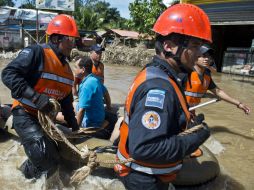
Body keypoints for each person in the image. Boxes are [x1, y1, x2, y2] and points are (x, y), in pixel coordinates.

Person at [115, 3, 212, 190]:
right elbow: (146, 149)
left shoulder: (159, 74)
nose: (199, 53)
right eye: (194, 45)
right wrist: (197, 137)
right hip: (144, 181)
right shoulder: (158, 88)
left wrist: (186, 124)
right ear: (169, 46)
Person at [1, 14, 80, 179]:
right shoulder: (37, 53)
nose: (73, 44)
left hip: (44, 119)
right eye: (70, 39)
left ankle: (26, 170)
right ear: (57, 38)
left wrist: (73, 124)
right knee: (45, 157)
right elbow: (8, 74)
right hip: (25, 113)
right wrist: (36, 97)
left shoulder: (67, 72)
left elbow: (66, 100)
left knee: (54, 157)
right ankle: (22, 179)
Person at [185, 45, 251, 114]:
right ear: (194, 57)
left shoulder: (206, 76)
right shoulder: (185, 73)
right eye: (203, 56)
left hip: (191, 111)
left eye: (209, 56)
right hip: (179, 111)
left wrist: (239, 104)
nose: (207, 59)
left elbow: (218, 92)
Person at [76, 56, 117, 139]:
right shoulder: (94, 79)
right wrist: (109, 107)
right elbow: (106, 94)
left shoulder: (86, 86)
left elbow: (82, 110)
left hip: (91, 123)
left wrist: (76, 131)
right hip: (99, 117)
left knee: (59, 116)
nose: (74, 69)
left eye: (76, 67)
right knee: (74, 104)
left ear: (83, 70)